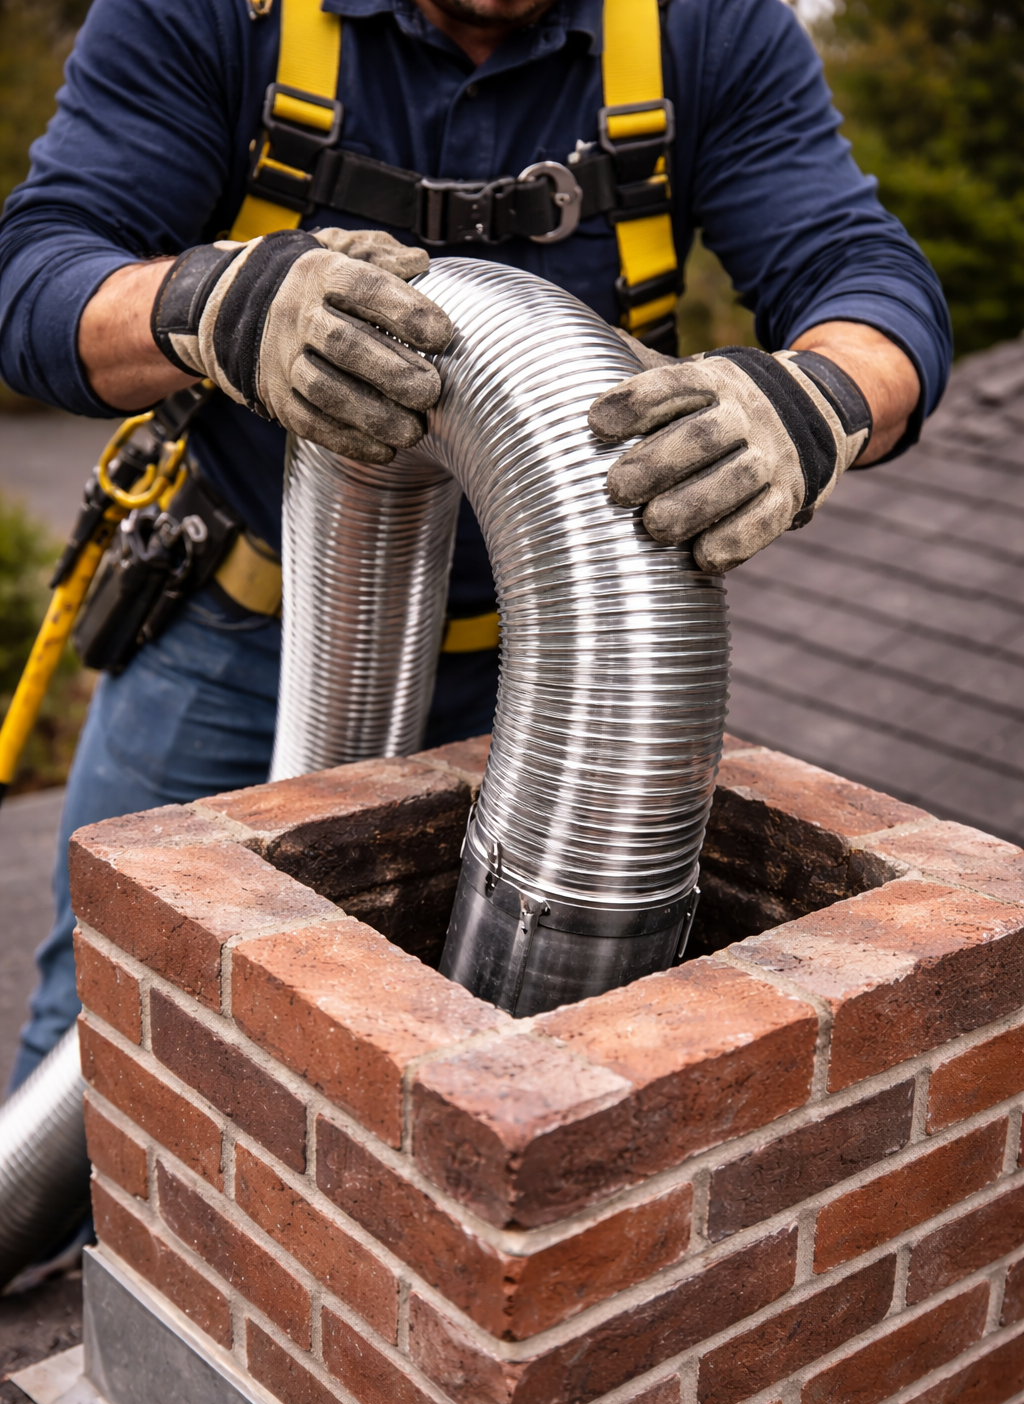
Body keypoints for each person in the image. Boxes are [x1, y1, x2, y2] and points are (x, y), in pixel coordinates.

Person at [0, 0, 947, 1091]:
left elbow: (870, 282)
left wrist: (822, 394)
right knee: (114, 1026)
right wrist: (207, 304)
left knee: (498, 1075)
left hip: (562, 683)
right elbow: (36, 281)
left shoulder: (705, 27)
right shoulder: (217, 13)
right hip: (238, 642)